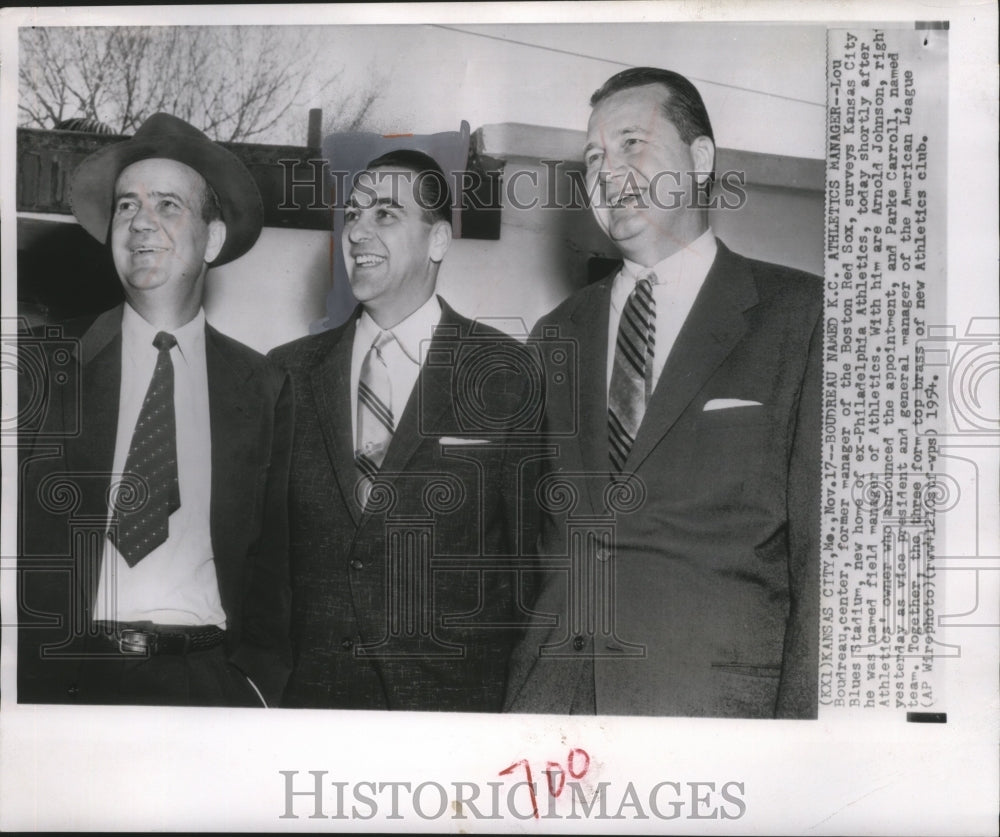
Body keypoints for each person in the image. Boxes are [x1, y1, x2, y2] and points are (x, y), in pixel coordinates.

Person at [503, 67, 822, 718]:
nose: (607, 171)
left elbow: (826, 565)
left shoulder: (804, 316)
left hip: (712, 717)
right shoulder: (556, 334)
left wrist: (802, 748)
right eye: (592, 157)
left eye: (630, 144)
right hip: (552, 715)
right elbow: (524, 544)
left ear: (700, 159)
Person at [18, 113, 293, 707]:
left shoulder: (265, 386)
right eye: (125, 205)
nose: (141, 221)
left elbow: (281, 564)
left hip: (206, 685)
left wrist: (255, 684)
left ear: (212, 239)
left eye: (168, 204)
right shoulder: (41, 368)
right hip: (65, 687)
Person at [270, 149, 537, 711]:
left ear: (438, 241)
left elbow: (531, 568)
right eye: (354, 215)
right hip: (312, 709)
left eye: (385, 215)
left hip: (453, 714)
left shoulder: (507, 375)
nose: (359, 232)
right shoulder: (285, 373)